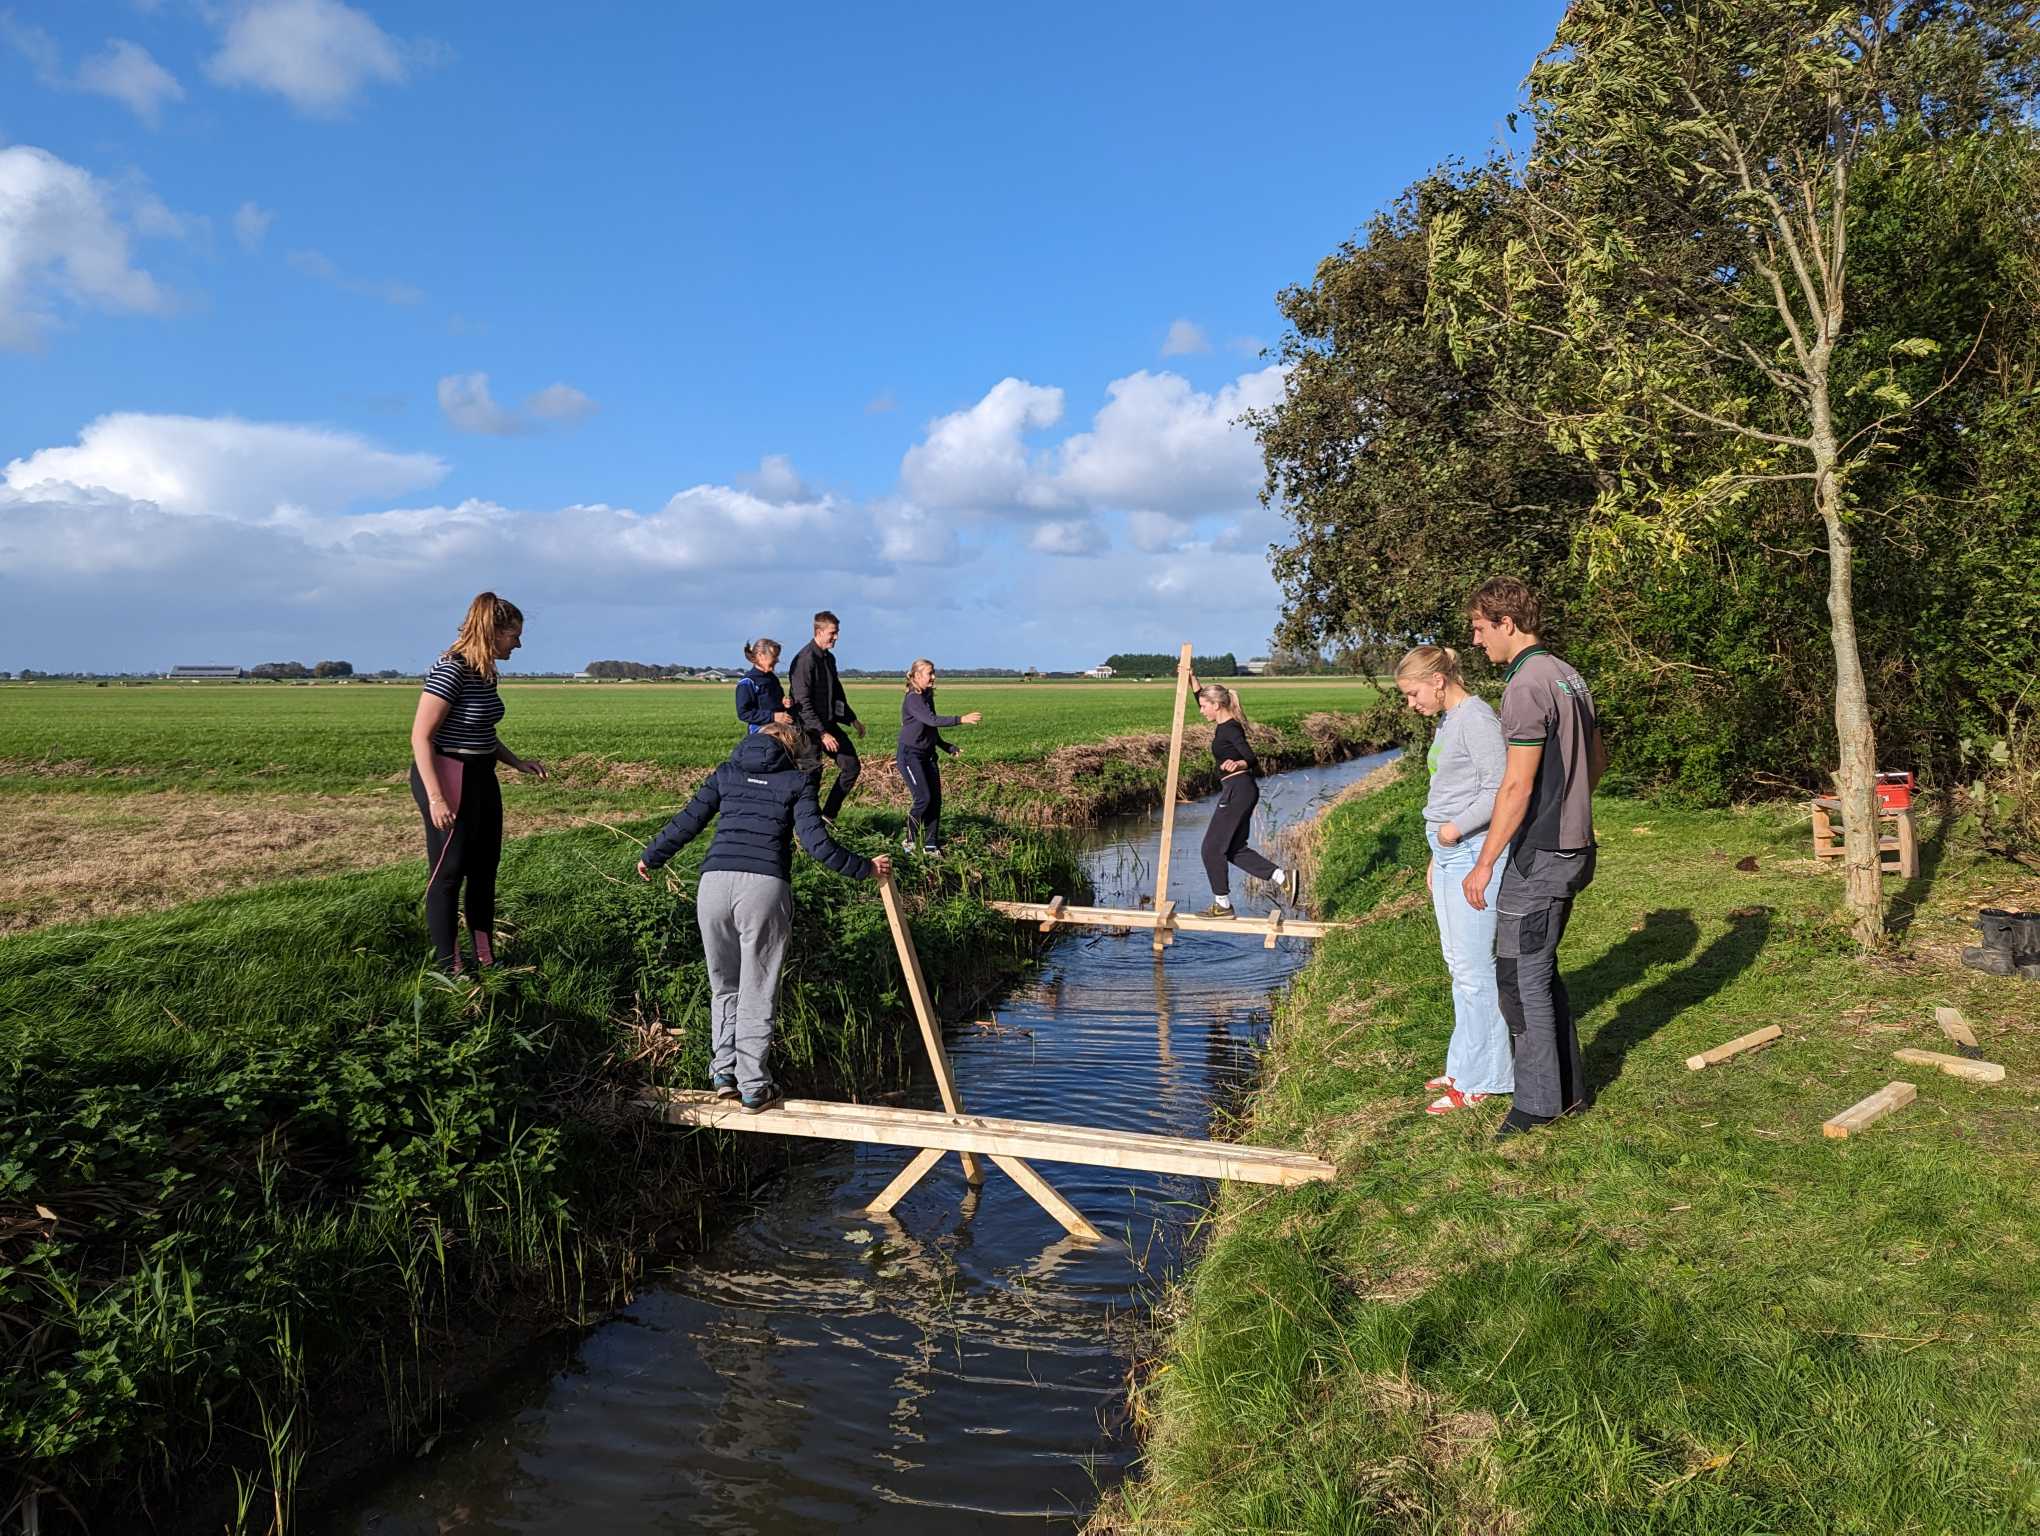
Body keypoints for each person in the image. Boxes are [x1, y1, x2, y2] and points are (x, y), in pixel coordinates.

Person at [636, 720, 891, 1113]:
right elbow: (817, 844)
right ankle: (754, 1086)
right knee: (758, 987)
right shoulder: (797, 782)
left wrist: (652, 855)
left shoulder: (725, 773)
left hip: (713, 884)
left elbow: (688, 821)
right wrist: (865, 868)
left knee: (724, 984)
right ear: (792, 750)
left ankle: (723, 1073)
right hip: (764, 886)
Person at [1460, 577, 1609, 1141]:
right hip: (1572, 846)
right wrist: (1573, 806)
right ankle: (1567, 1091)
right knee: (1538, 971)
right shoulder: (1570, 675)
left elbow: (1516, 786)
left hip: (1541, 854)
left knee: (1518, 978)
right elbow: (1596, 760)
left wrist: (1485, 861)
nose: (1476, 641)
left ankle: (1537, 1107)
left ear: (1506, 622)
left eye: (1479, 627)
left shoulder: (1525, 684)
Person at [1396, 645, 1512, 1116]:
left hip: (1470, 849)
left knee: (1475, 970)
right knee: (1457, 965)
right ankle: (1464, 1063)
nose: (1410, 703)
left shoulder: (1477, 719)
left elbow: (1500, 789)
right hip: (1448, 852)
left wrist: (1453, 830)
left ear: (1439, 681)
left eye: (1412, 692)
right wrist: (1435, 850)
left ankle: (1488, 1077)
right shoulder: (1449, 720)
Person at [407, 592, 548, 973]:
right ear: (493, 631)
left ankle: (486, 960)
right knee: (449, 871)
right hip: (448, 775)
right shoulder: (451, 669)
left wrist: (516, 762)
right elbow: (421, 736)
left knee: (485, 868)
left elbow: (480, 731)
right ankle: (449, 967)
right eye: (513, 635)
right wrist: (436, 798)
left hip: (482, 774)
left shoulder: (484, 671)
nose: (518, 643)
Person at [1189, 677, 1299, 918]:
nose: (1200, 709)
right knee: (1233, 849)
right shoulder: (1223, 722)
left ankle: (1223, 905)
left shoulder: (1230, 728)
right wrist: (1191, 678)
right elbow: (1201, 695)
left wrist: (1238, 762)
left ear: (1216, 705)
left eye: (1203, 706)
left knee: (1211, 848)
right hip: (1240, 789)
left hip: (1237, 789)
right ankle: (1283, 877)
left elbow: (1250, 757)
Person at [897, 658, 982, 856]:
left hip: (928, 755)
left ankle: (930, 847)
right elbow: (931, 720)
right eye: (930, 673)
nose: (934, 677)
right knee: (923, 799)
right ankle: (909, 840)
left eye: (934, 673)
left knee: (935, 801)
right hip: (910, 755)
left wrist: (946, 747)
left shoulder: (927, 695)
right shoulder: (913, 698)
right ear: (917, 676)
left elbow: (930, 729)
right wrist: (961, 719)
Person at [789, 610, 864, 822]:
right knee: (811, 777)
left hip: (829, 725)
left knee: (851, 767)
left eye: (837, 632)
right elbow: (802, 702)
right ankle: (805, 825)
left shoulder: (828, 658)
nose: (836, 637)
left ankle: (827, 817)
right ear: (819, 631)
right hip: (808, 729)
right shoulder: (805, 660)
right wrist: (822, 734)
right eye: (833, 632)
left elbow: (836, 692)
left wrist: (851, 718)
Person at [734, 638, 792, 735]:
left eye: (777, 656)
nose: (777, 660)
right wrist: (773, 716)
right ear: (760, 655)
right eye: (774, 656)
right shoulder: (747, 682)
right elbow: (743, 713)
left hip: (779, 726)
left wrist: (785, 703)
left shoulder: (773, 678)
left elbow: (778, 704)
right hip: (760, 731)